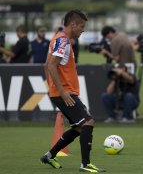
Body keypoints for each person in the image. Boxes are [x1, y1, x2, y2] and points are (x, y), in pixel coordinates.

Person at [40, 10, 105, 173]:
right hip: (65, 93)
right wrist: (61, 92)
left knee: (78, 128)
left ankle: (50, 155)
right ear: (73, 25)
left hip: (61, 92)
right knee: (88, 122)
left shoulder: (60, 39)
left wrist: (54, 90)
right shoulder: (62, 40)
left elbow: (46, 65)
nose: (83, 30)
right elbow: (51, 65)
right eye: (82, 26)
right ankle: (85, 164)